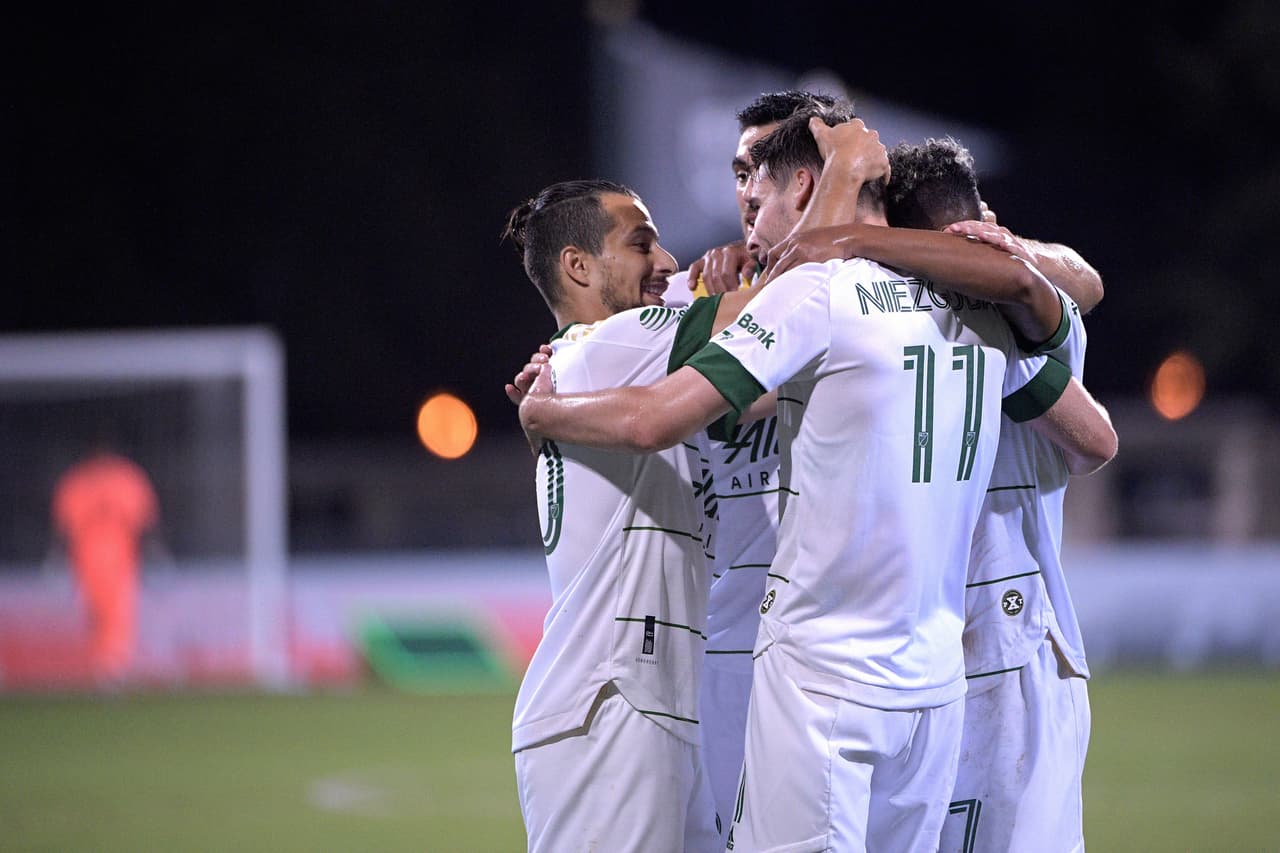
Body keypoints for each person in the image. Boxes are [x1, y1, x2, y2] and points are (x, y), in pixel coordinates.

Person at [517, 109, 1115, 851]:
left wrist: (548, 410)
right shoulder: (990, 306)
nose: (741, 209)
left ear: (808, 185)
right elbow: (1095, 427)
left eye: (755, 187)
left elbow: (661, 417)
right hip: (930, 677)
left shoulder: (812, 297)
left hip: (816, 669)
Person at [887, 136, 1109, 852]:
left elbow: (1095, 440)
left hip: (1020, 647)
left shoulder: (1023, 319)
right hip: (922, 648)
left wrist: (1013, 255)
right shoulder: (893, 320)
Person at [499, 178, 723, 852]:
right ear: (579, 266)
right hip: (610, 703)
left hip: (648, 698)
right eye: (641, 242)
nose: (668, 264)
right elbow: (779, 318)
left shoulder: (601, 366)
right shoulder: (614, 344)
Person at [660, 89, 856, 833]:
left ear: (810, 177)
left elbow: (1078, 283)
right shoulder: (696, 295)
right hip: (732, 645)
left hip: (853, 639)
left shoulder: (874, 293)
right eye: (740, 170)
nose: (748, 191)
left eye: (765, 171)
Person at [51, 448, 159, 684]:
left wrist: (154, 553)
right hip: (88, 560)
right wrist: (56, 558)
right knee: (97, 613)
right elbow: (65, 527)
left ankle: (113, 667)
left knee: (118, 613)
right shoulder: (79, 481)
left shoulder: (124, 478)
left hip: (119, 559)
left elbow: (144, 521)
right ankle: (102, 666)